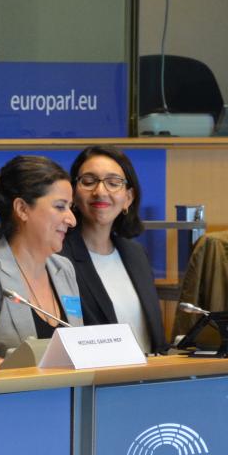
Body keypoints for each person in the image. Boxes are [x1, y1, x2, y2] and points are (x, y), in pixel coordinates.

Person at [0, 155, 83, 366]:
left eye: (70, 207)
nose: (71, 220)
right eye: (59, 206)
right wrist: (33, 370)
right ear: (22, 209)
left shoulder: (63, 269)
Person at [61, 145, 166, 354]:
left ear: (128, 198)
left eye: (113, 183)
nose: (100, 192)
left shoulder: (136, 254)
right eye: (89, 181)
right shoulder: (59, 258)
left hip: (149, 371)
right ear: (73, 193)